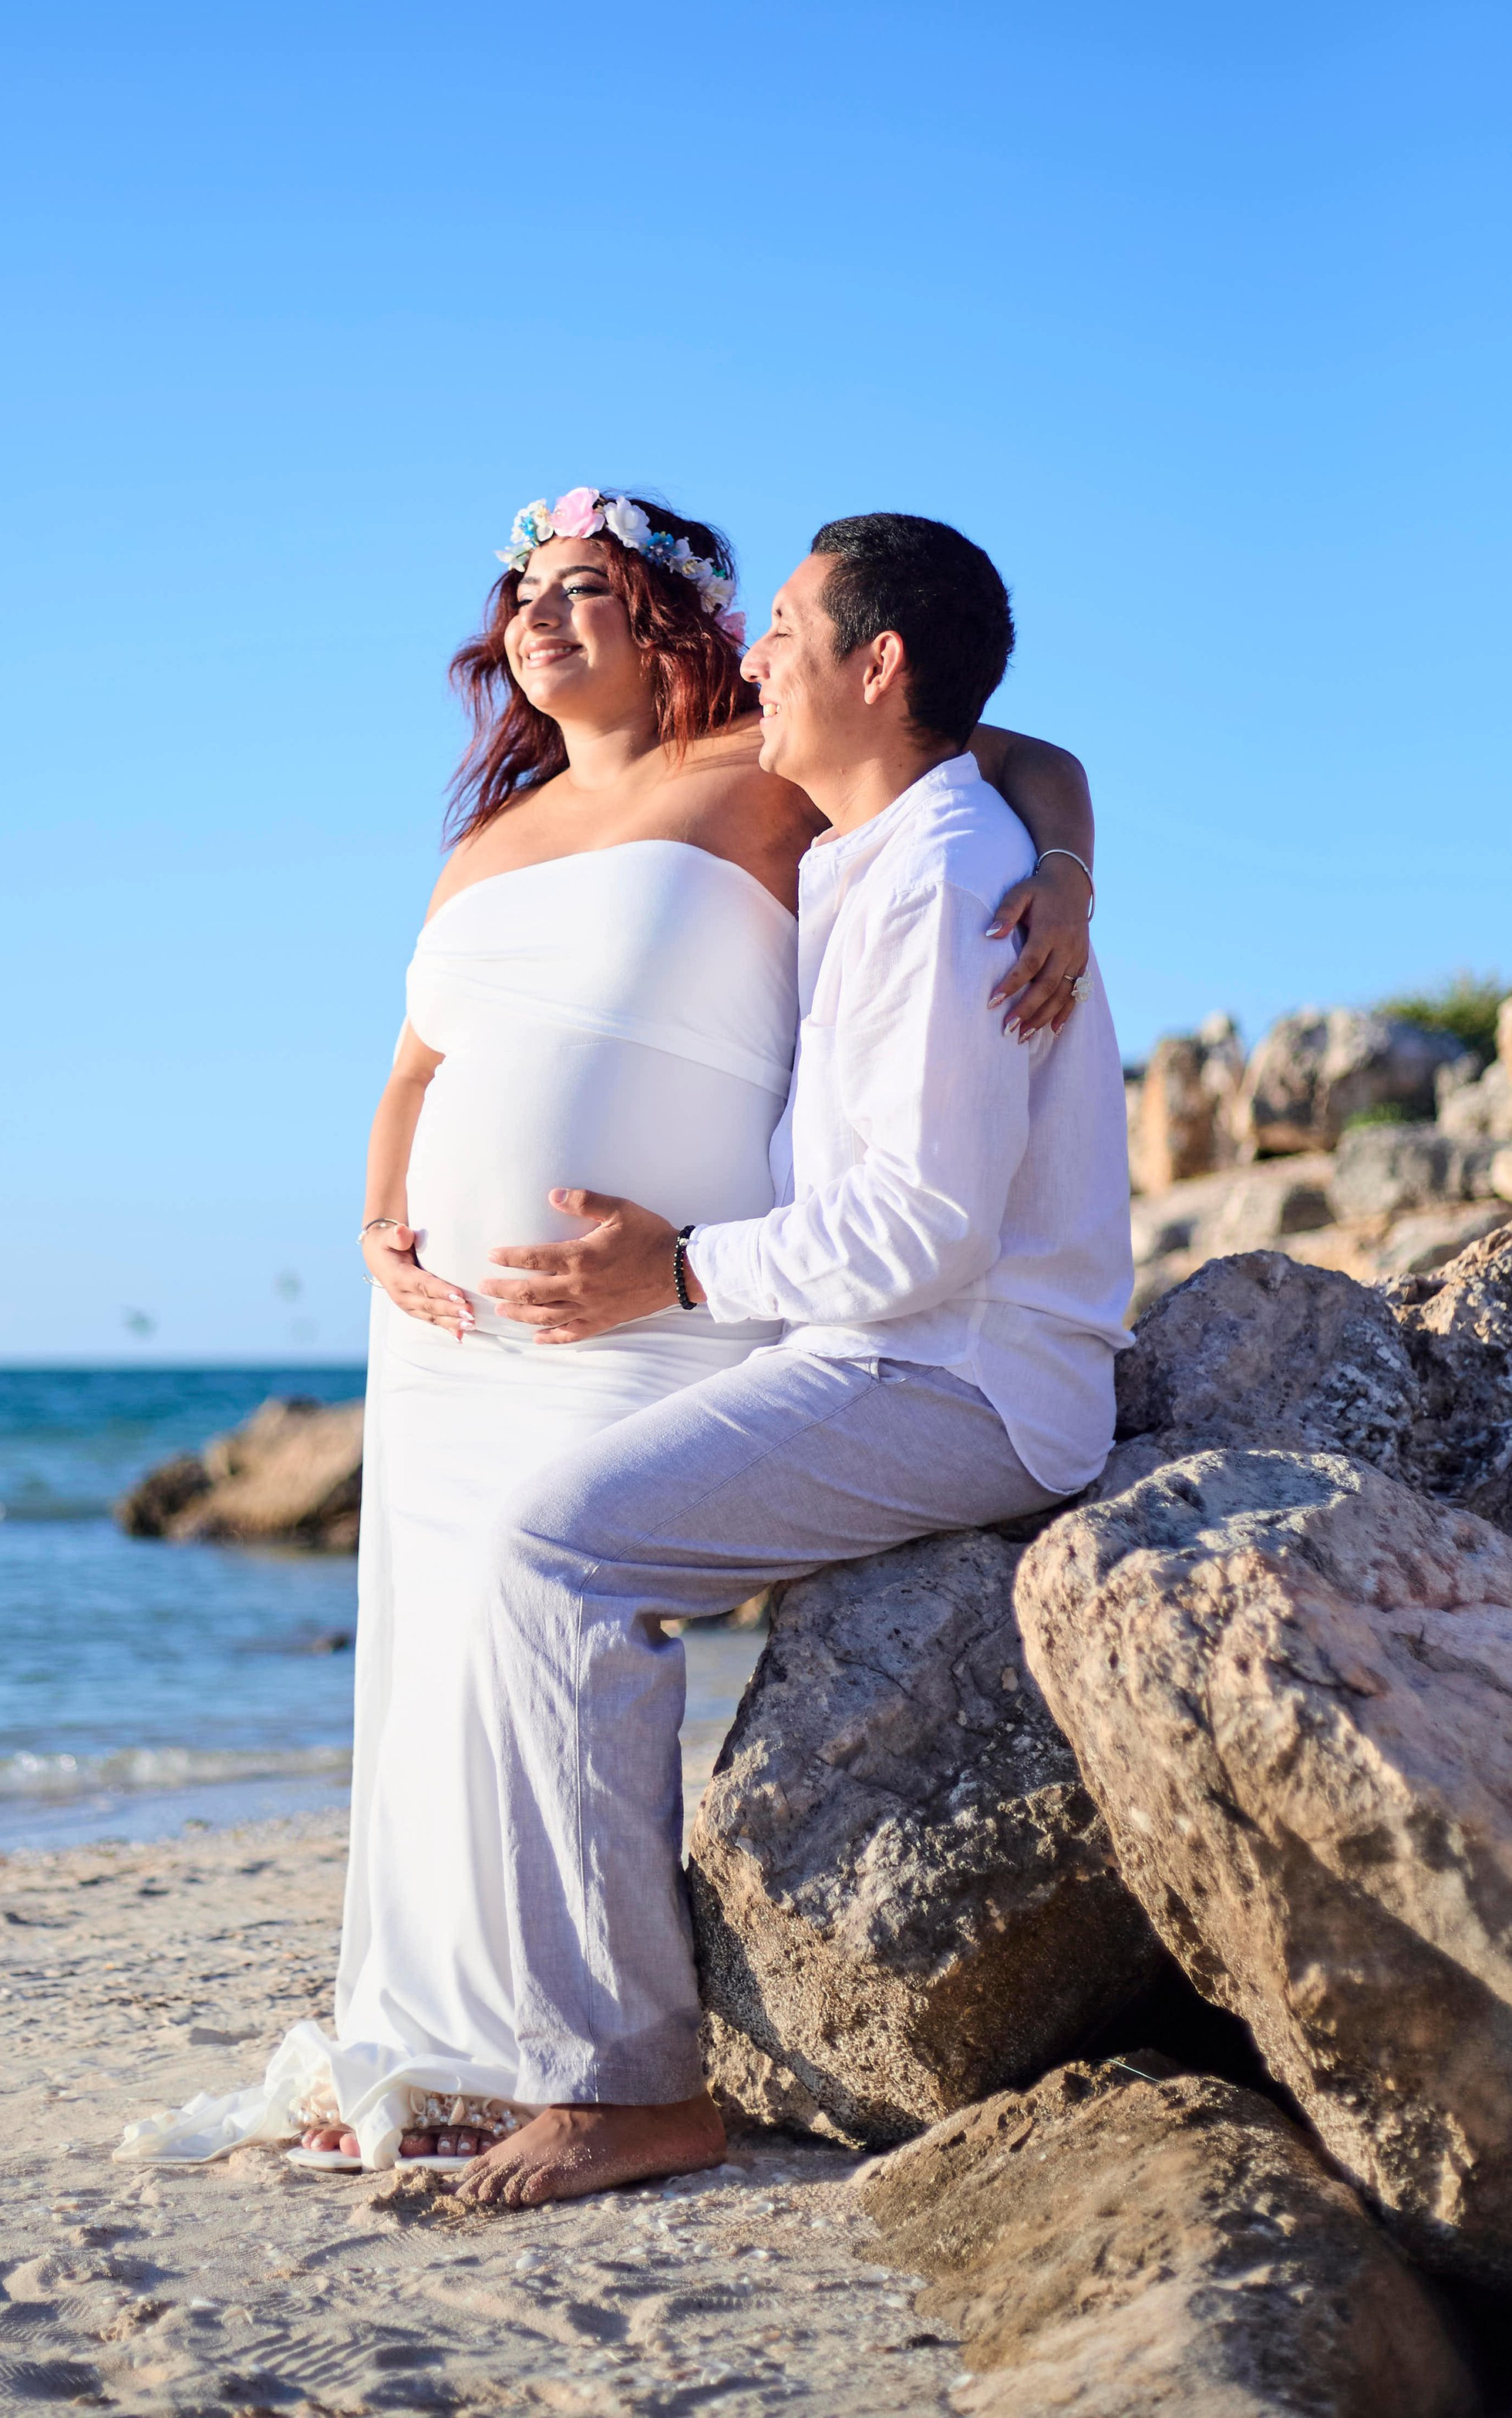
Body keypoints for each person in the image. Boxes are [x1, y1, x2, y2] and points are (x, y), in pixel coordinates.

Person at [117, 490, 1097, 2176]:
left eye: (582, 586)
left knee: (551, 1580)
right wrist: (377, 1224)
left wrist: (1065, 862)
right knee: (436, 1666)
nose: (536, 616)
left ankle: (611, 2074)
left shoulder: (800, 787)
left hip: (735, 1317)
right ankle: (443, 2048)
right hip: (470, 1328)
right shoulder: (491, 841)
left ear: (680, 621)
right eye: (519, 592)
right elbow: (418, 1064)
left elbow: (981, 749)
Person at [445, 510, 1134, 2212]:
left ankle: (628, 2087)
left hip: (953, 1375)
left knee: (555, 1554)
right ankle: (547, 2037)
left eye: (786, 628)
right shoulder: (874, 847)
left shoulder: (950, 876)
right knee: (535, 1533)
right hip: (857, 1342)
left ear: (874, 665)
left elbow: (923, 1231)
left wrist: (666, 1273)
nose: (755, 657)